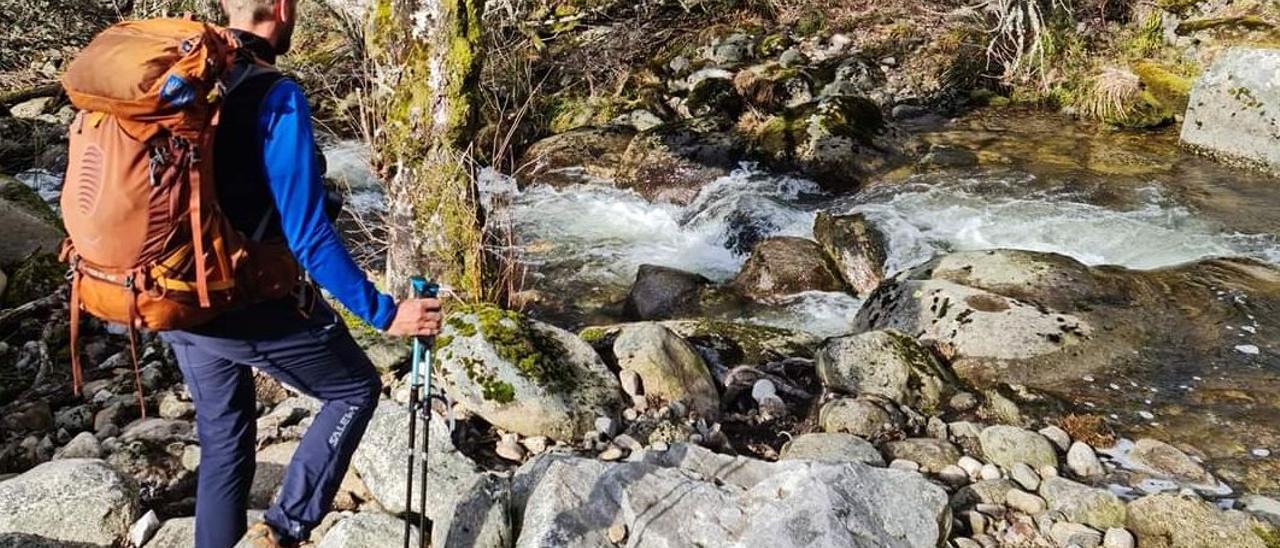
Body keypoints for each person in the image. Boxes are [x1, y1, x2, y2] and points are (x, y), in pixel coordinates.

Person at [160, 1, 442, 546]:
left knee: (223, 440)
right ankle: (282, 531)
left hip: (169, 290)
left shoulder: (180, 75)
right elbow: (309, 236)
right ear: (283, 8)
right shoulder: (275, 95)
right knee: (355, 390)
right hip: (238, 302)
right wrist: (386, 313)